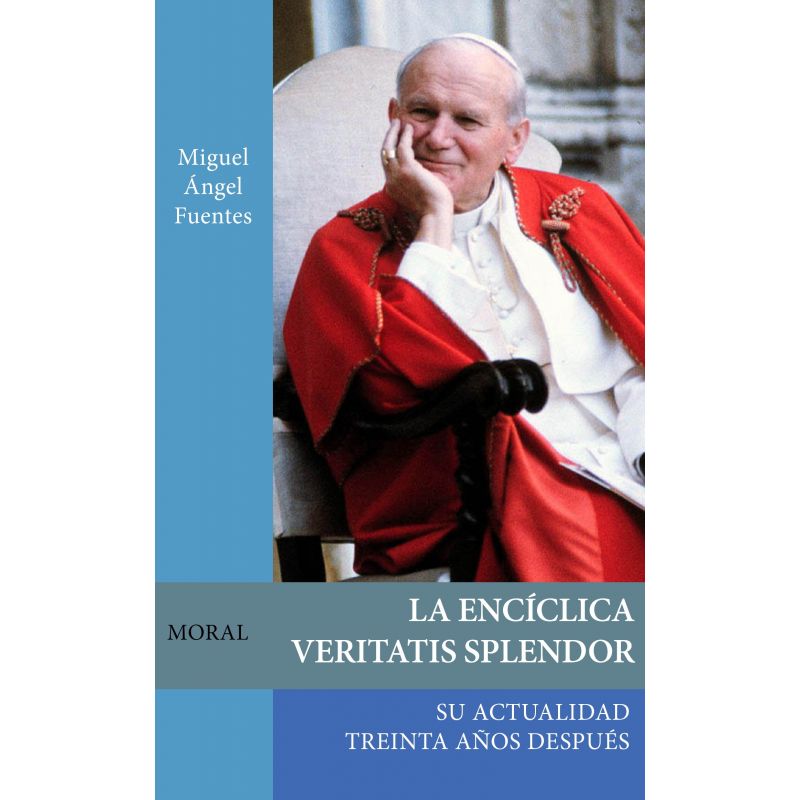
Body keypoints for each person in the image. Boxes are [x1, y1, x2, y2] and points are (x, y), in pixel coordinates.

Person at [284, 34, 644, 581]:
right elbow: (399, 386)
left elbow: (645, 357)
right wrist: (434, 219)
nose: (437, 138)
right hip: (472, 484)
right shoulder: (344, 247)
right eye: (421, 112)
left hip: (622, 461)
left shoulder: (578, 210)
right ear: (393, 117)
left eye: (467, 120)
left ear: (514, 140)